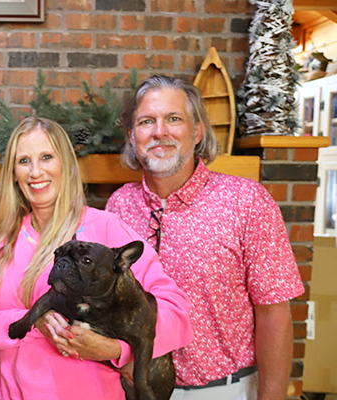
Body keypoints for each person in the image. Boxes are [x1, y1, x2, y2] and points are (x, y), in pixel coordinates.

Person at [106, 75, 305, 400]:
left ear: (197, 131)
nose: (160, 131)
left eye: (174, 119)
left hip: (223, 390)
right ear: (132, 136)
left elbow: (274, 314)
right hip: (136, 389)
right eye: (146, 121)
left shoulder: (246, 201)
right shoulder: (119, 206)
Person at [0, 117, 193, 400]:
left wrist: (117, 350)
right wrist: (30, 321)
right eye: (23, 161)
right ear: (13, 173)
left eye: (47, 157)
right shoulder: (0, 244)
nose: (35, 171)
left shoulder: (105, 228)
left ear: (65, 163)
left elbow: (175, 310)